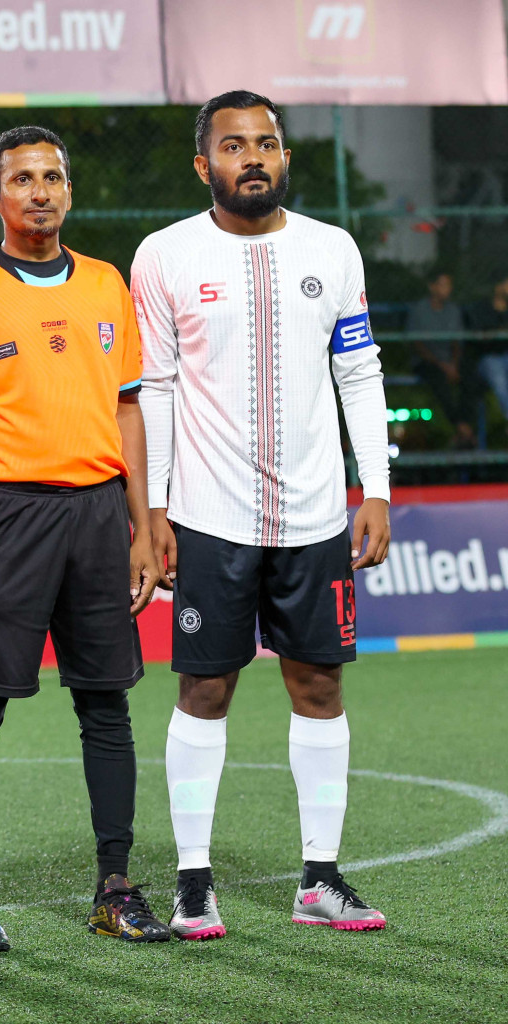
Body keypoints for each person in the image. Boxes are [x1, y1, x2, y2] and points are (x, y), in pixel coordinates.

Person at [132, 90, 392, 940]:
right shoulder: (164, 254)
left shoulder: (333, 248)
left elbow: (359, 373)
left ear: (285, 157)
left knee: (319, 685)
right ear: (203, 163)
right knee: (205, 688)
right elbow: (157, 389)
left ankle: (319, 879)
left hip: (318, 517)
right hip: (209, 516)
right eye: (235, 144)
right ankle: (193, 881)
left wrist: (376, 487)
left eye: (268, 143)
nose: (255, 157)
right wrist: (159, 508)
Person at [0, 126, 165, 953]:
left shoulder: (106, 286)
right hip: (7, 520)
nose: (40, 191)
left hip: (101, 518)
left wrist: (142, 522)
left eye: (52, 177)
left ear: (70, 190)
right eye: (21, 179)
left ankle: (116, 887)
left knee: (108, 705)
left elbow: (130, 408)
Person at [407, 270, 480, 447]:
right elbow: (417, 345)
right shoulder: (419, 310)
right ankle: (463, 429)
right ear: (432, 286)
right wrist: (442, 365)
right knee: (439, 381)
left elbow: (457, 342)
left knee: (471, 378)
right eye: (443, 284)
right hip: (428, 362)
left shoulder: (453, 311)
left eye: (449, 285)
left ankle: (463, 429)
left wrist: (453, 364)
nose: (447, 289)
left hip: (449, 362)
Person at [465, 274, 508, 422]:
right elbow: (478, 338)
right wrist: (496, 332)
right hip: (488, 360)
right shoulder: (482, 309)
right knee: (498, 375)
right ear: (498, 286)